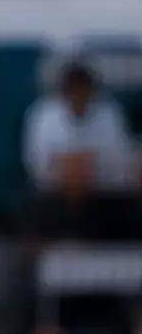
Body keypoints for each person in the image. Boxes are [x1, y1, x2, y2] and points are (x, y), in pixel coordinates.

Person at [24, 61, 139, 238]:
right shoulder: (43, 114)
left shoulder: (109, 114)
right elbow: (36, 163)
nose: (78, 97)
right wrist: (69, 169)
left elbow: (119, 161)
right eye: (73, 91)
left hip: (102, 190)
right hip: (56, 190)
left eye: (83, 91)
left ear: (92, 92)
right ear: (63, 92)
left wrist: (85, 167)